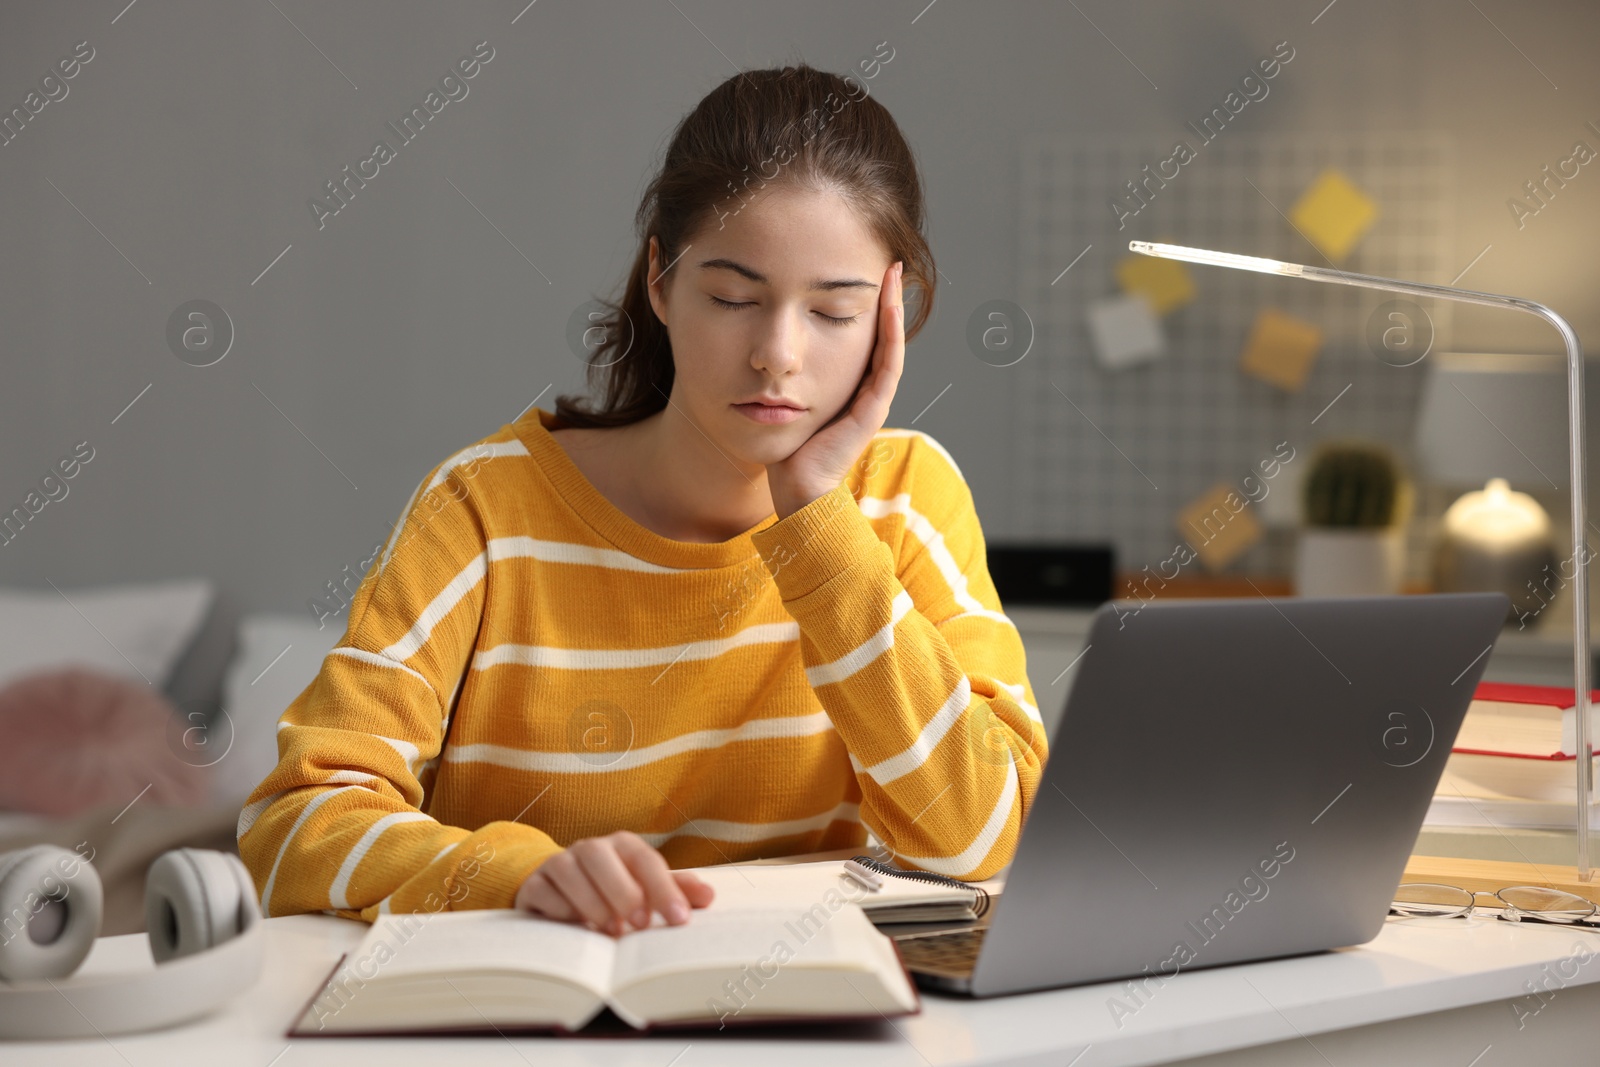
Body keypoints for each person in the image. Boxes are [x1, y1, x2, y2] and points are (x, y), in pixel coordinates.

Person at [237, 63, 1046, 939]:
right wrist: (520, 876)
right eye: (733, 297)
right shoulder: (484, 507)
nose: (777, 353)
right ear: (660, 279)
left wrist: (817, 521)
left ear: (892, 311)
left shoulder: (907, 495)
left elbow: (989, 836)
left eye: (833, 313)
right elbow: (290, 830)